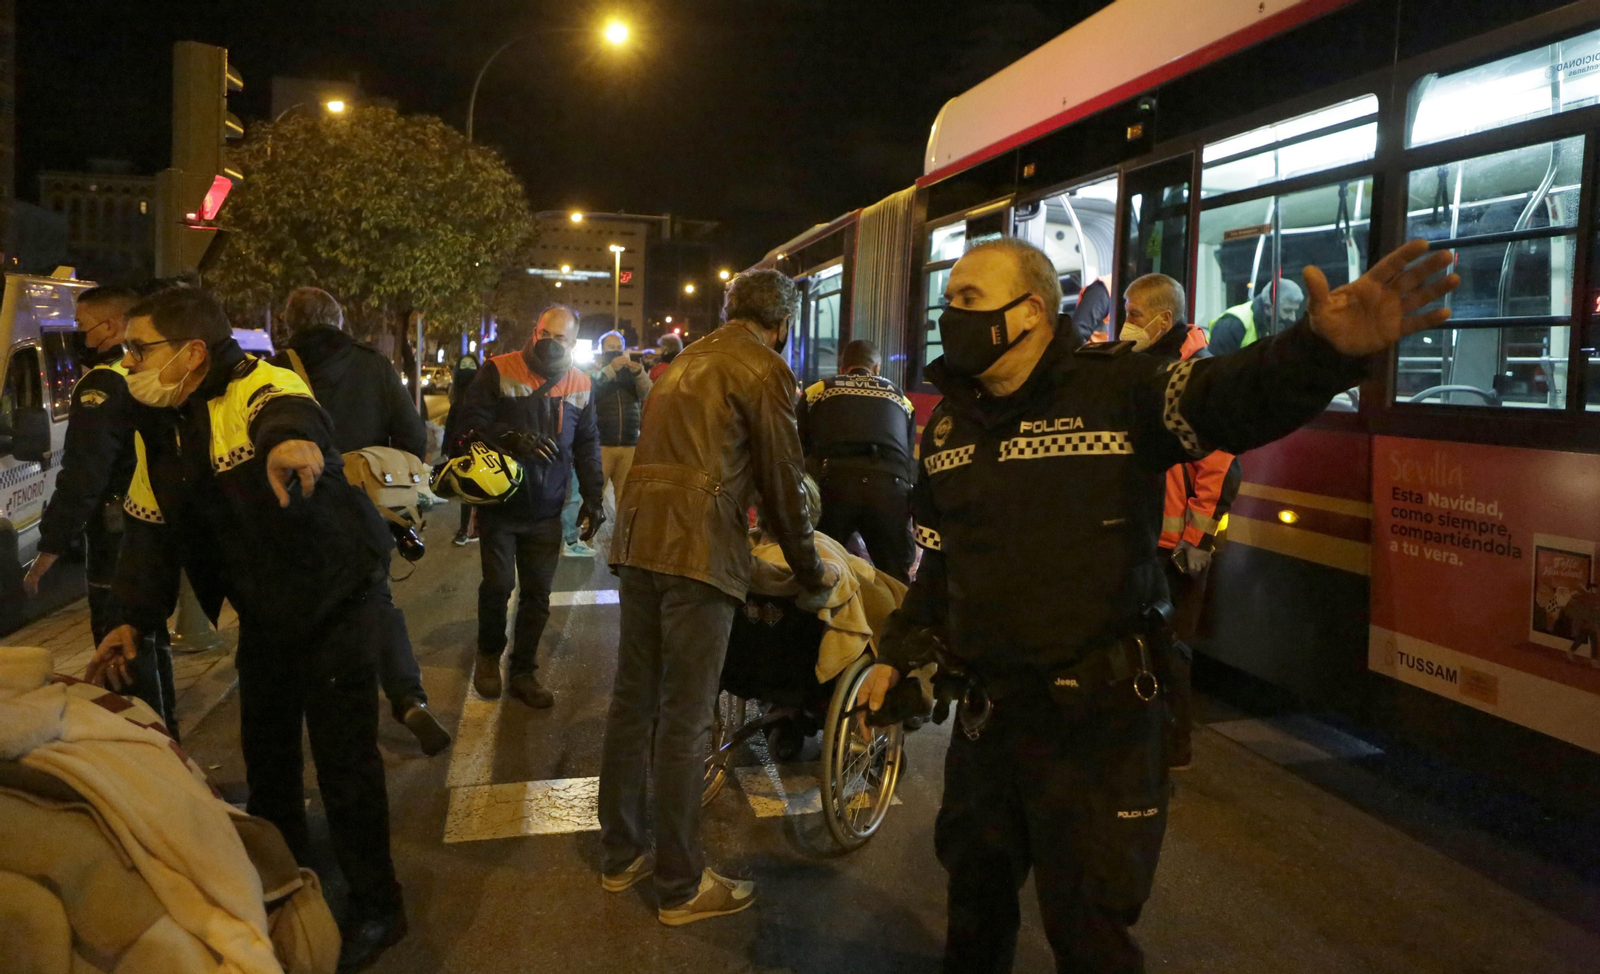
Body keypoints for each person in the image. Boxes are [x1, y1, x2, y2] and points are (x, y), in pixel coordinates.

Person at [860, 237, 1458, 973]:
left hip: (1100, 729)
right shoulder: (949, 427)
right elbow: (940, 569)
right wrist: (897, 652)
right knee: (974, 914)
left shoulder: (1124, 390)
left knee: (1090, 932)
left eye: (970, 301)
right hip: (991, 725)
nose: (951, 316)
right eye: (949, 302)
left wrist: (1319, 352)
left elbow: (1226, 397)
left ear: (1034, 312)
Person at [84, 286, 409, 971]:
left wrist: (292, 443)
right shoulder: (161, 422)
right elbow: (149, 533)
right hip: (266, 610)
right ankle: (287, 886)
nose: (128, 360)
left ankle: (379, 906)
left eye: (140, 349)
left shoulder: (261, 380)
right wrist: (127, 623)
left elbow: (286, 411)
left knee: (345, 760)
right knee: (268, 759)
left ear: (193, 353)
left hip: (336, 597)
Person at [598, 269, 834, 925]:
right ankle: (680, 885)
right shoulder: (762, 368)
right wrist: (809, 568)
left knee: (632, 703)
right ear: (782, 325)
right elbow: (785, 483)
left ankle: (620, 854)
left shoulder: (685, 360)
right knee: (684, 717)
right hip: (696, 549)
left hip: (641, 537)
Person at [269, 286, 450, 757]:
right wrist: (393, 490)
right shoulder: (372, 364)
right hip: (363, 510)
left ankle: (320, 711)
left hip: (295, 511)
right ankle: (408, 697)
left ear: (289, 324)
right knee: (375, 600)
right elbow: (413, 433)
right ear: (340, 321)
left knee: (304, 610)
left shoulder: (273, 371)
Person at [25, 285, 177, 732]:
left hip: (115, 538)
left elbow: (84, 475)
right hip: (149, 528)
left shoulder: (102, 384)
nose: (79, 335)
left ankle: (141, 767)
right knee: (150, 646)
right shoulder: (148, 377)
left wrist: (47, 551)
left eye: (82, 325)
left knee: (121, 659)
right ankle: (168, 756)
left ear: (110, 326)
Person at [456, 304, 604, 708]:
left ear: (574, 343)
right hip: (501, 506)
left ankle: (523, 671)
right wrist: (511, 437)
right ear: (534, 330)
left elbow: (588, 444)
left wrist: (594, 497)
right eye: (546, 334)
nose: (551, 343)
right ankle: (489, 656)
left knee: (538, 595)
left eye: (562, 339)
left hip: (548, 510)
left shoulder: (581, 383)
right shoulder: (498, 369)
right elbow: (468, 424)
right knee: (498, 585)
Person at [1121, 273, 1241, 771]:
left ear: (1162, 319)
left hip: (1179, 548)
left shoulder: (1196, 376)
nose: (1124, 326)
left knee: (1172, 651)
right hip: (1151, 541)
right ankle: (1144, 743)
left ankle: (1174, 751)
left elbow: (1219, 470)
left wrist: (1196, 541)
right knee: (1144, 646)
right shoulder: (1150, 367)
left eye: (1131, 316)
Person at [796, 338, 917, 582]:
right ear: (877, 368)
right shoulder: (901, 399)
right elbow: (907, 456)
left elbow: (799, 449)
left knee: (823, 569)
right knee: (894, 575)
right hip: (890, 489)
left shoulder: (817, 390)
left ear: (841, 368)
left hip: (836, 484)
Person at [591, 329, 652, 514]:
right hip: (601, 444)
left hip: (629, 443)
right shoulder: (593, 369)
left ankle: (622, 539)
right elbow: (590, 389)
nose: (615, 351)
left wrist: (640, 372)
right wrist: (611, 370)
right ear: (601, 349)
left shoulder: (630, 373)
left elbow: (648, 392)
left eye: (619, 347)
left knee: (625, 497)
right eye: (611, 347)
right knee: (594, 494)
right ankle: (588, 537)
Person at [1207, 277, 1306, 355]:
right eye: (1287, 310)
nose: (1292, 318)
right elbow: (1215, 371)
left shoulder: (1273, 325)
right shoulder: (1232, 324)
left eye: (1294, 311)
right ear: (1268, 308)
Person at [444, 353, 481, 546]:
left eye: (471, 365)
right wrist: (446, 447)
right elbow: (451, 422)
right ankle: (465, 529)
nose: (467, 368)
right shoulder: (456, 391)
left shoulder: (483, 390)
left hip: (479, 445)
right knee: (465, 489)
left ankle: (473, 529)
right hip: (460, 447)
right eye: (464, 364)